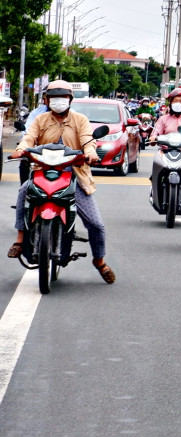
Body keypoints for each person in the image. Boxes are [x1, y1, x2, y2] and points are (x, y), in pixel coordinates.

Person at [7, 80, 116, 284]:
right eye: (54, 98)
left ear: (70, 100)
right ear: (47, 100)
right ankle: (20, 240)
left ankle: (99, 261)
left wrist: (91, 153)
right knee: (23, 191)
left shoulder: (80, 120)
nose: (58, 102)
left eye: (63, 98)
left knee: (96, 224)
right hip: (42, 170)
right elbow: (29, 137)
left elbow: (87, 140)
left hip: (74, 173)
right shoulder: (40, 120)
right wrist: (21, 150)